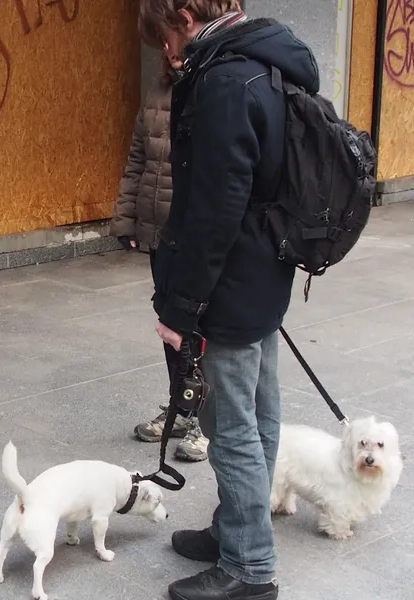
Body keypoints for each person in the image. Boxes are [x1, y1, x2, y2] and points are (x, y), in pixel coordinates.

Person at [138, 1, 320, 599]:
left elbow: (214, 209)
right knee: (260, 414)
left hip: (230, 279)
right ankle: (237, 528)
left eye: (165, 36)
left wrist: (181, 306)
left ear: (185, 14)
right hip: (266, 268)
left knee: (231, 425)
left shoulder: (222, 79)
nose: (168, 52)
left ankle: (249, 566)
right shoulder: (270, 59)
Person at [110, 52, 209, 462]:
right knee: (171, 328)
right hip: (159, 230)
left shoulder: (213, 88)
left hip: (196, 233)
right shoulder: (159, 87)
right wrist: (126, 218)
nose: (169, 50)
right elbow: (138, 158)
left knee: (201, 328)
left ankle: (207, 420)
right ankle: (182, 407)